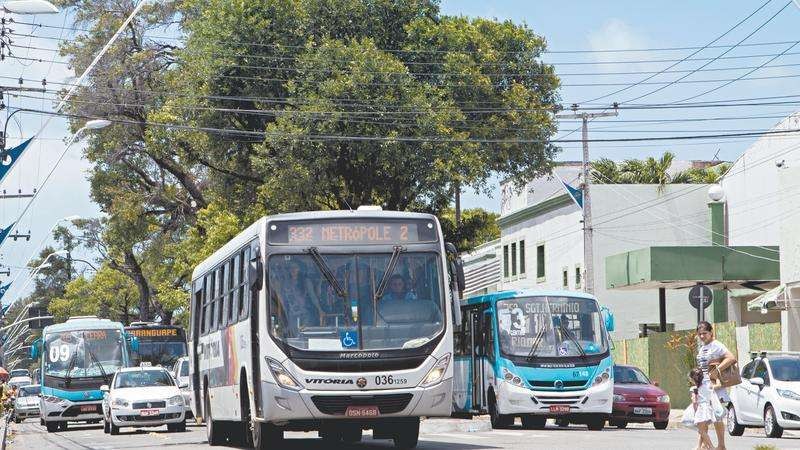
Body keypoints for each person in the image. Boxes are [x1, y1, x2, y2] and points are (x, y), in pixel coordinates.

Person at [696, 321, 736, 450]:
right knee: (703, 417)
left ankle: (721, 445)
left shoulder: (717, 345)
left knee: (717, 417)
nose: (702, 336)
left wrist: (717, 370)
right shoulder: (702, 347)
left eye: (705, 333)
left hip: (715, 387)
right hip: (704, 387)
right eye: (700, 334)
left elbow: (731, 358)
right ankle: (702, 445)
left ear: (711, 332)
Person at [280, 260, 322, 333]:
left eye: (295, 267)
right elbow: (283, 300)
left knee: (306, 333)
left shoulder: (306, 281)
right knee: (294, 335)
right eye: (291, 268)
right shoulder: (285, 283)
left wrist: (319, 309)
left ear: (299, 269)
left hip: (305, 314)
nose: (293, 270)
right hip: (292, 315)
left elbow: (313, 296)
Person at [688, 368, 724, 450]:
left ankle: (711, 447)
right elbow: (719, 385)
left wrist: (695, 412)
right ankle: (699, 447)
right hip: (708, 408)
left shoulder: (694, 389)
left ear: (693, 379)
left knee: (701, 430)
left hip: (701, 409)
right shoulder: (708, 385)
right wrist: (717, 378)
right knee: (703, 429)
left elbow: (694, 401)